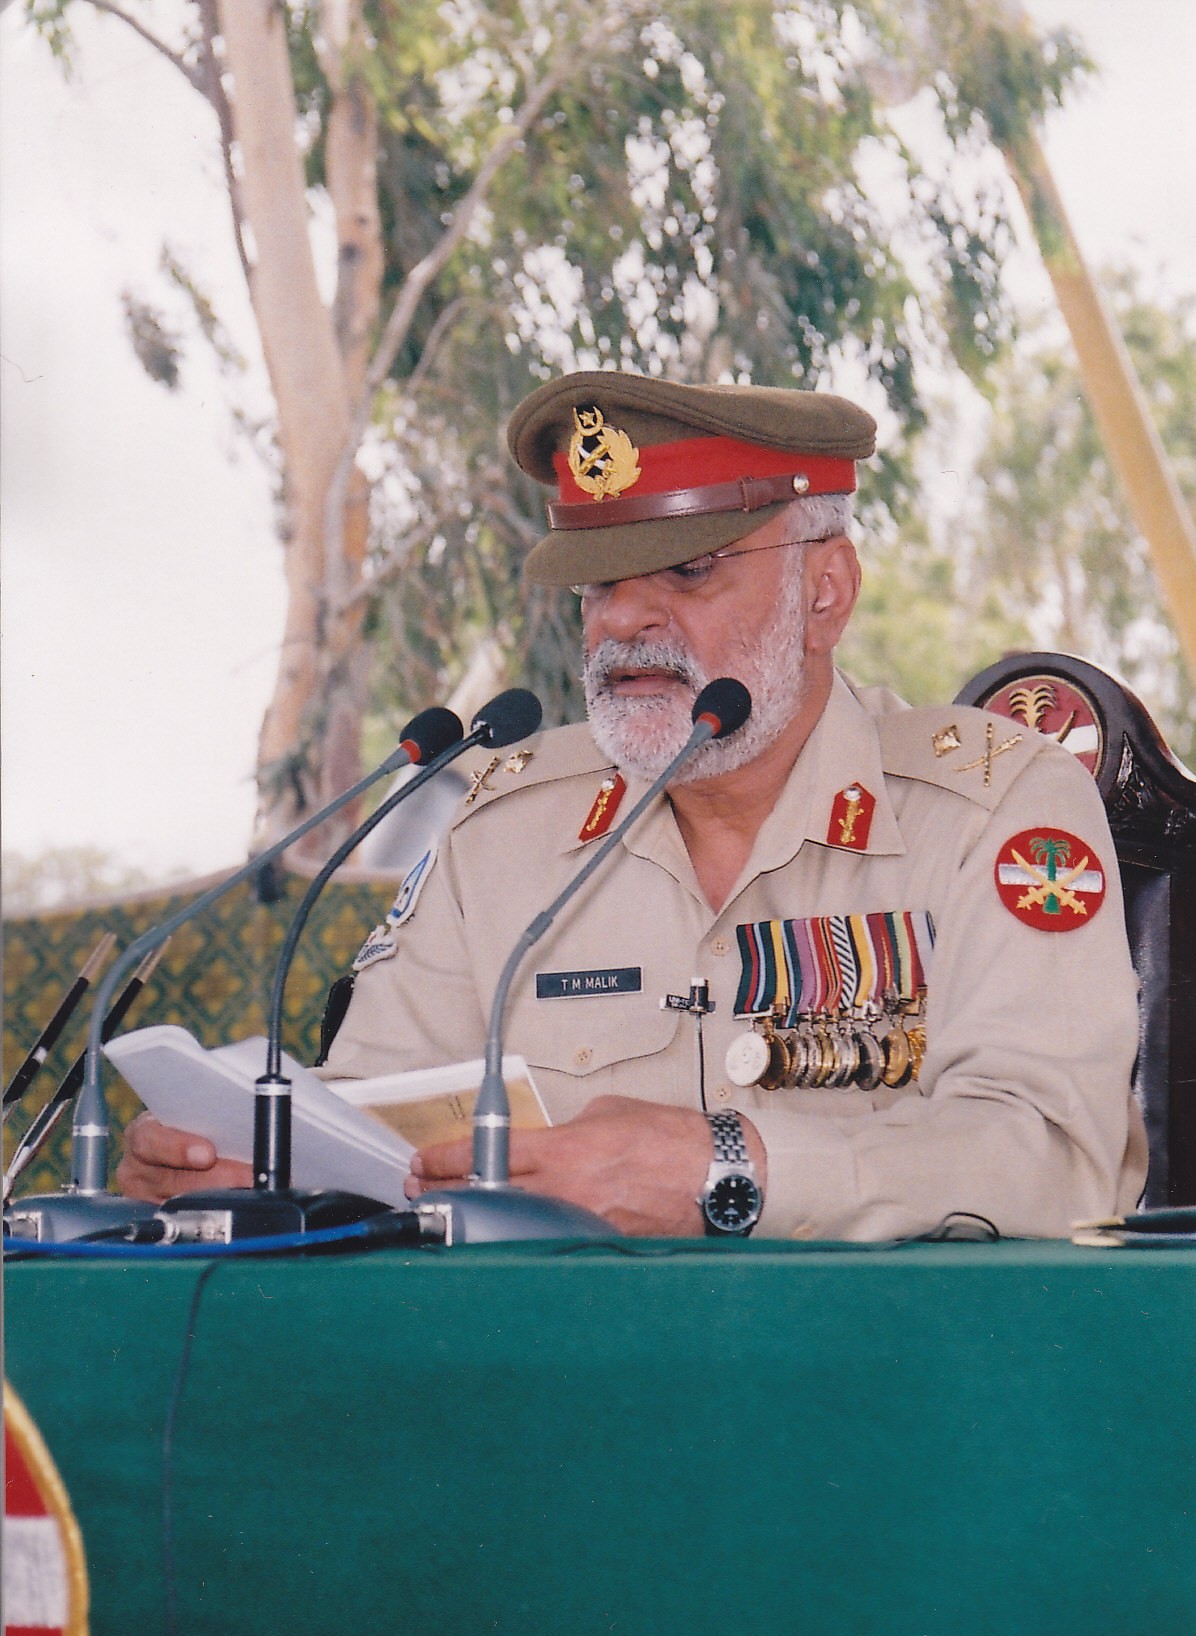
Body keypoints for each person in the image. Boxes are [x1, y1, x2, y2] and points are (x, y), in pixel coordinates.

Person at [118, 371, 1146, 1238]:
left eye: (688, 571)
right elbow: (371, 1130)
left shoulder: (989, 809)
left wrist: (727, 1171)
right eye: (598, 584)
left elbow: (1050, 1161)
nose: (625, 622)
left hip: (878, 1401)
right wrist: (260, 1183)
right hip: (554, 1399)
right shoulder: (502, 829)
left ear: (824, 593)